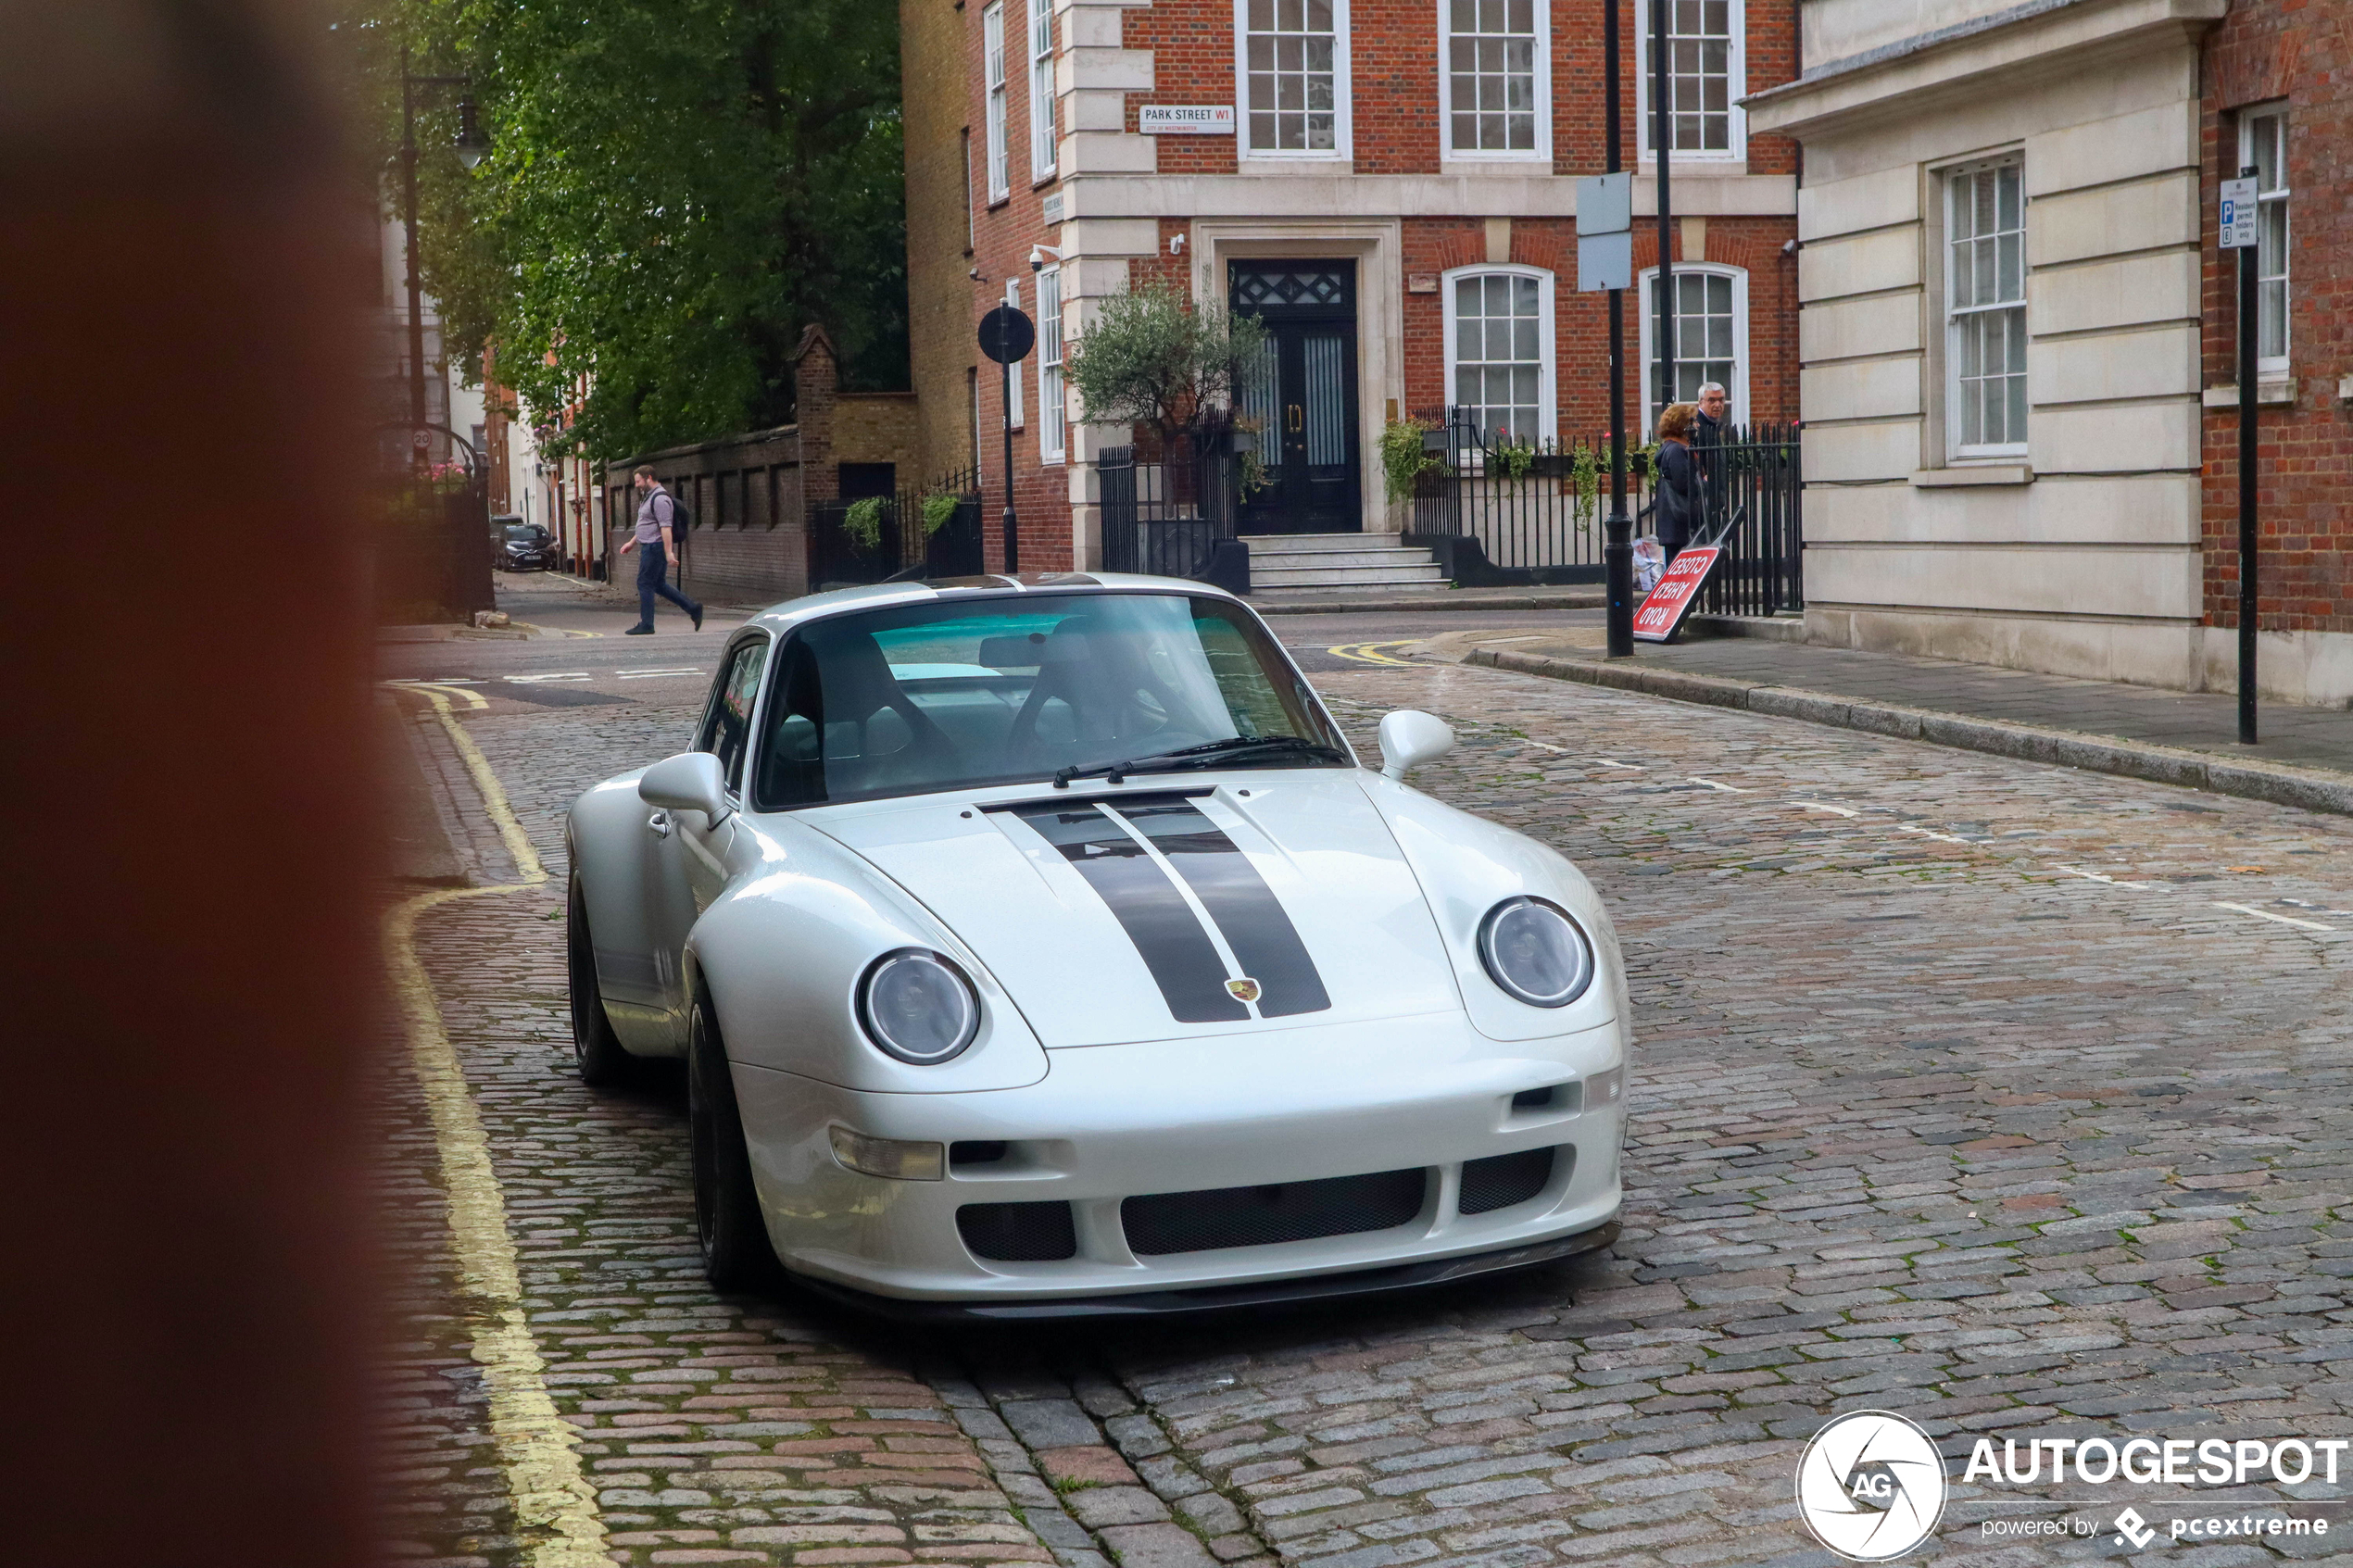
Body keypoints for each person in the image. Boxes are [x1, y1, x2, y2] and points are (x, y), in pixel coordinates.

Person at [621, 466, 704, 635]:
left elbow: (665, 527)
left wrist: (669, 553)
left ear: (648, 478)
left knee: (644, 583)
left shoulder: (659, 500)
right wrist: (632, 542)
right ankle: (693, 609)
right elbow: (647, 525)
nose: (636, 485)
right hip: (650, 545)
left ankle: (647, 624)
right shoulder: (649, 497)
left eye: (638, 481)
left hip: (654, 547)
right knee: (658, 585)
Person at [1652, 402, 1700, 568]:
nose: (1697, 425)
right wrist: (1705, 484)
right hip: (1680, 521)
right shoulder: (1677, 451)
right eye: (1693, 422)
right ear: (1682, 425)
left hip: (1672, 521)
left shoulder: (1669, 448)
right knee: (1682, 572)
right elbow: (1683, 484)